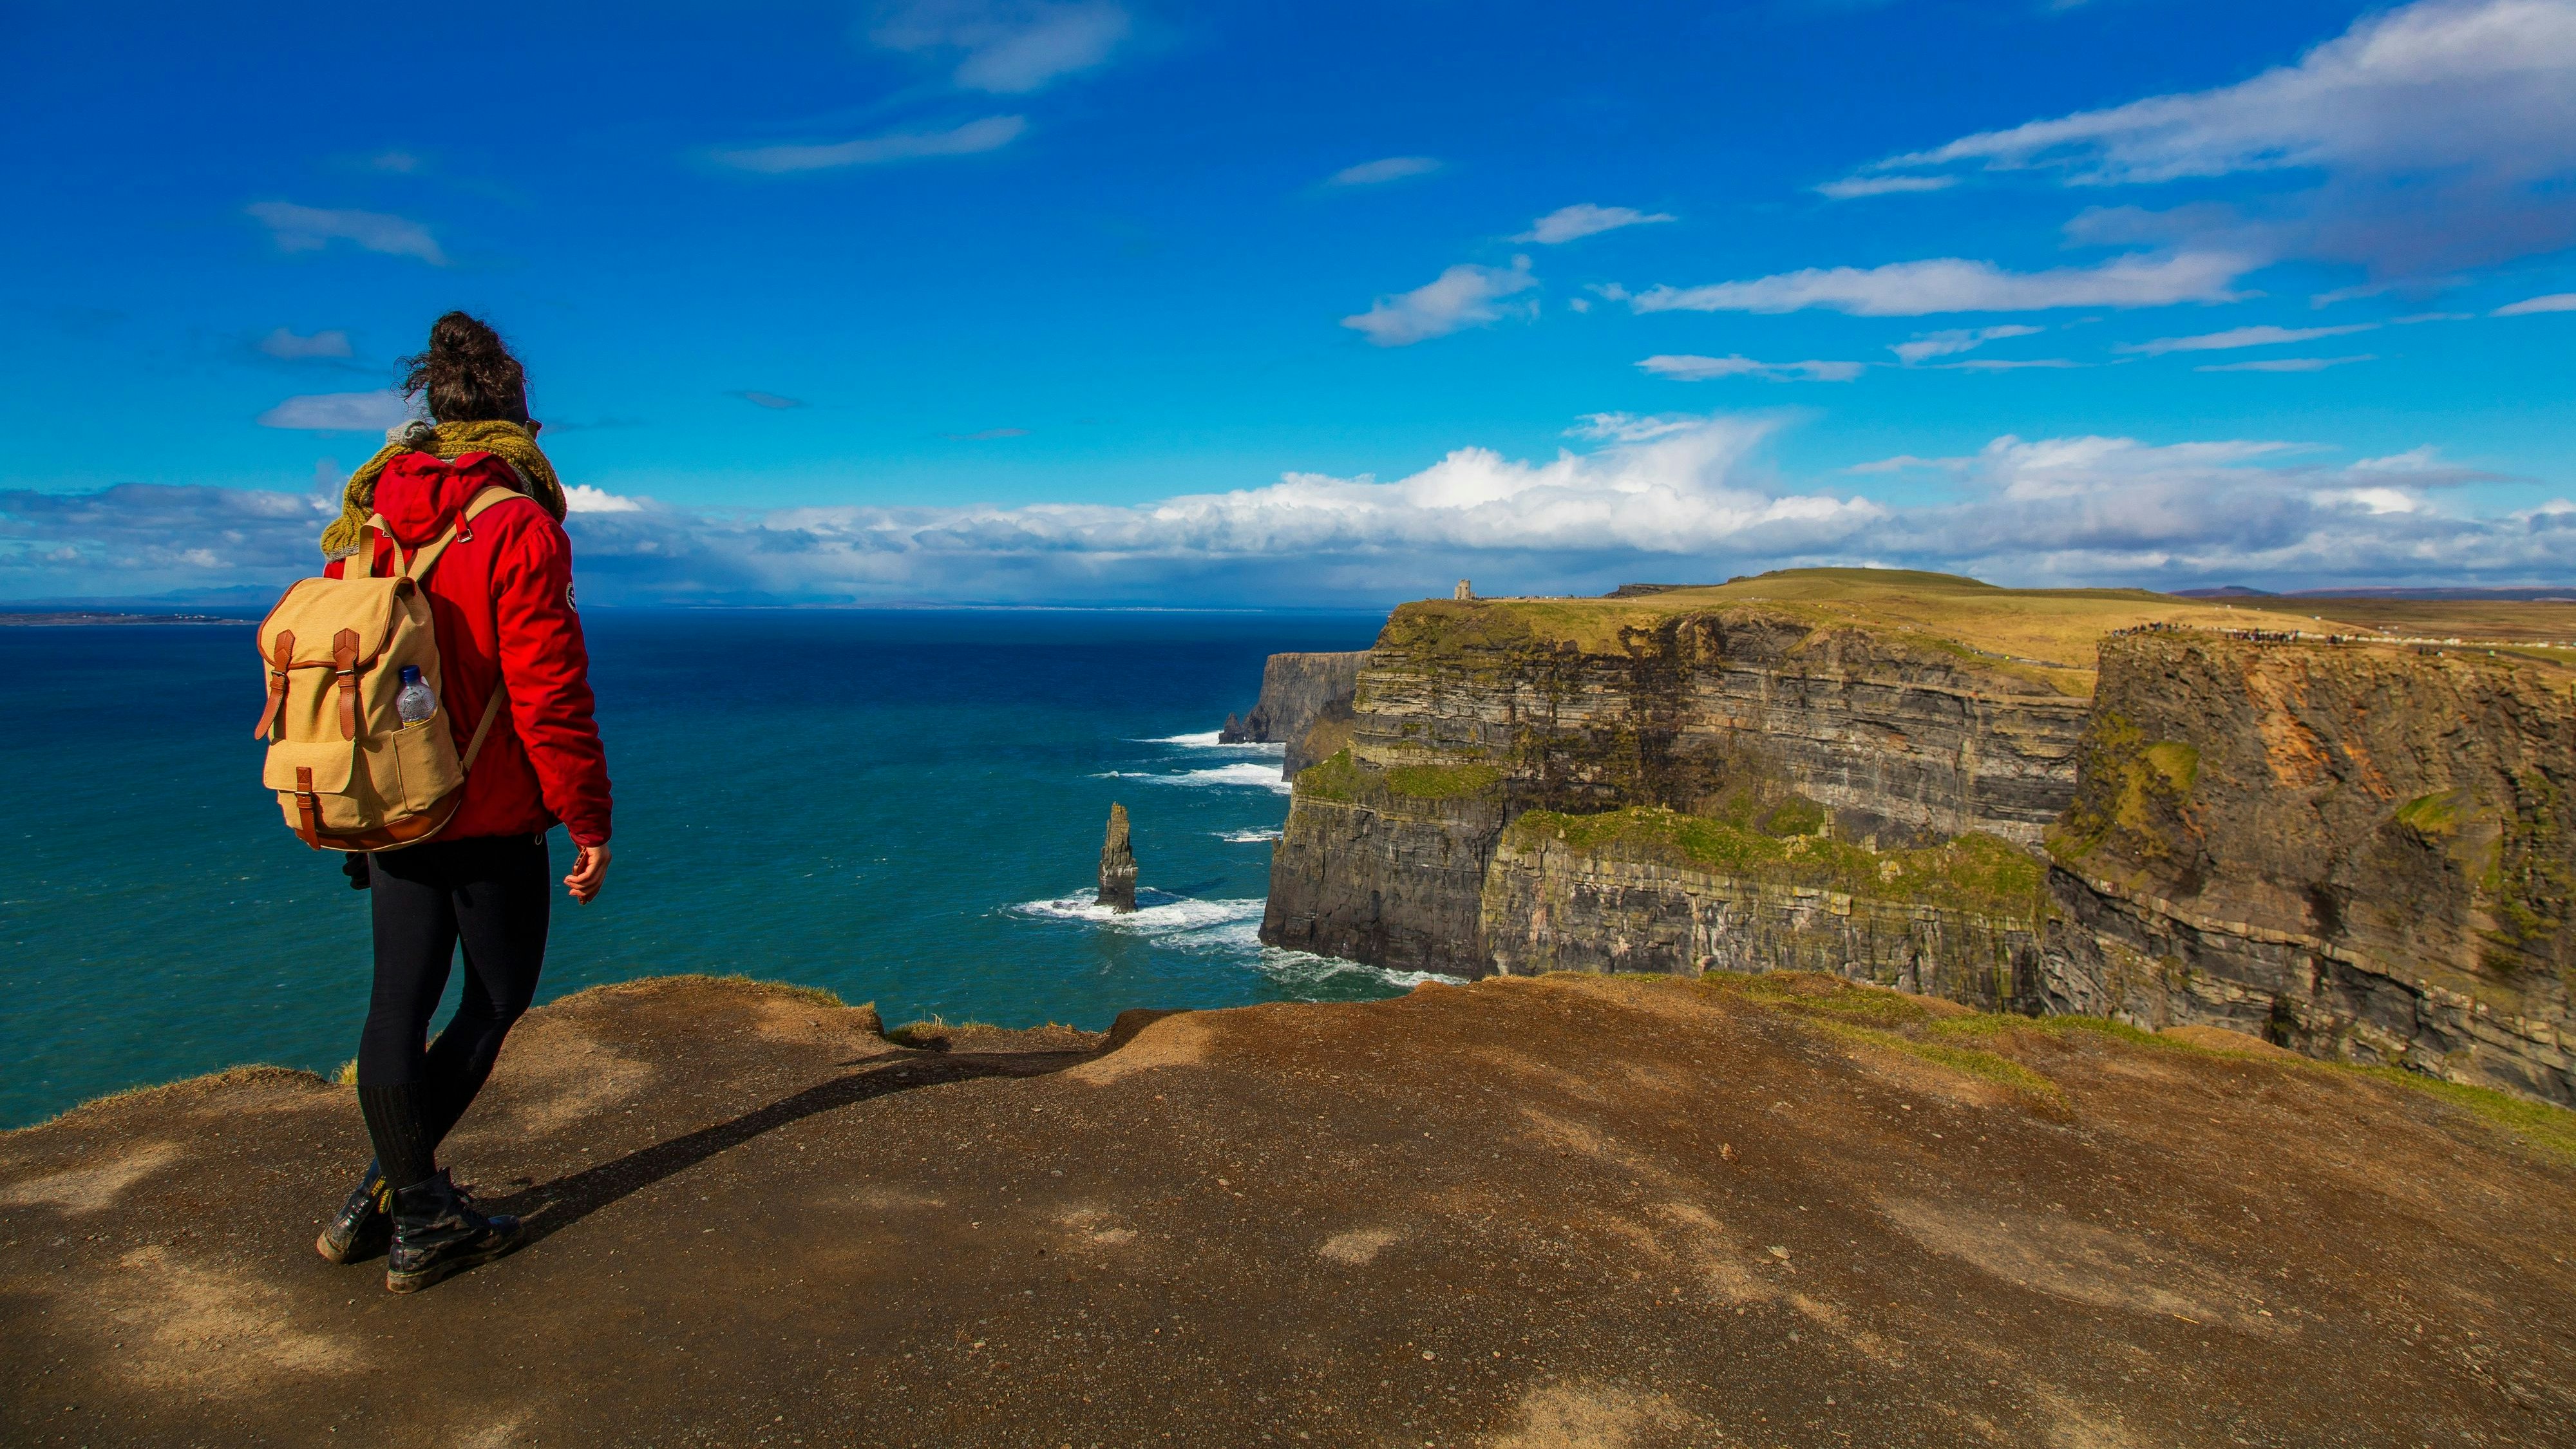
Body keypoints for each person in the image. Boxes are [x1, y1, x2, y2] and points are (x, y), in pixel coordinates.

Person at [308, 312, 614, 1293]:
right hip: (484, 811)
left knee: (396, 999)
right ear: (518, 419)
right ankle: (417, 1210)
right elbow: (549, 690)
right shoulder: (517, 522)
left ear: (433, 413)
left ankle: (399, 1190)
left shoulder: (370, 515)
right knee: (495, 997)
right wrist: (590, 820)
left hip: (389, 799)